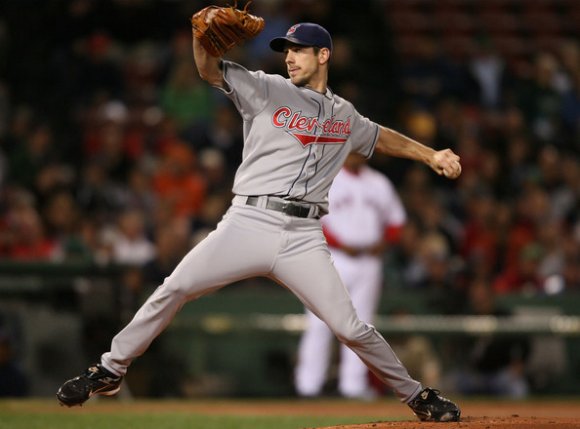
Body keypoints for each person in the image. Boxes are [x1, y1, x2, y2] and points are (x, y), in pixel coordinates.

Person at [57, 18, 462, 422]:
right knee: (175, 287)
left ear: (323, 55)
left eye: (299, 50)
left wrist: (431, 155)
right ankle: (110, 369)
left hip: (304, 235)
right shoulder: (267, 88)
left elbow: (380, 136)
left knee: (351, 328)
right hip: (249, 221)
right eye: (286, 50)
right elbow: (208, 69)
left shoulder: (345, 115)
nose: (289, 58)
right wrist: (201, 40)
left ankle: (417, 396)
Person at [294, 152, 406, 399]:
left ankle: (353, 386)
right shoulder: (326, 179)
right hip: (332, 257)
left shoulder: (379, 182)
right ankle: (308, 385)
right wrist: (340, 244)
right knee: (320, 321)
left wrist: (385, 243)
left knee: (362, 325)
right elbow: (311, 219)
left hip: (370, 262)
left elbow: (397, 222)